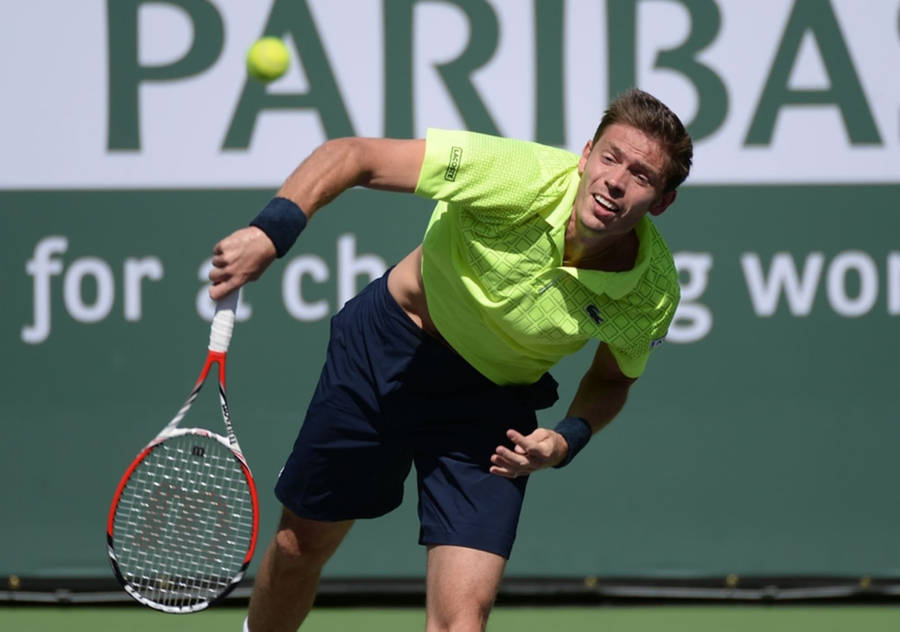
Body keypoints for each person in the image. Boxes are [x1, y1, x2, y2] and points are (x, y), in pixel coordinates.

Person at [209, 87, 693, 632]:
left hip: (488, 408)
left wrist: (567, 438)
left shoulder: (651, 291)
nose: (616, 181)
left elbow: (612, 377)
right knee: (298, 546)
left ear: (662, 200)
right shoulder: (516, 176)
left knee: (462, 622)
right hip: (387, 353)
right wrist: (269, 232)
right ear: (585, 156)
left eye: (642, 176)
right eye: (609, 158)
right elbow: (352, 155)